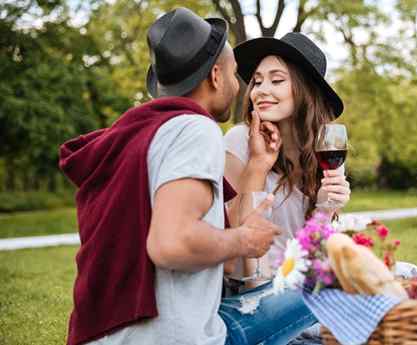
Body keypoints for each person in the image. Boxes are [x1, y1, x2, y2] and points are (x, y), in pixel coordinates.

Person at [58, 8, 312, 345]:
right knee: (334, 281)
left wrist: (257, 170)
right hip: (176, 337)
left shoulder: (138, 134)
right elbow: (171, 244)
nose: (240, 89)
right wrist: (244, 239)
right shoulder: (196, 128)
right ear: (216, 76)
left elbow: (219, 266)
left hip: (101, 334)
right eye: (237, 76)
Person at [222, 32, 351, 282]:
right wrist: (257, 166)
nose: (261, 91)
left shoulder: (326, 150)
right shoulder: (239, 141)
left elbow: (312, 251)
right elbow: (234, 235)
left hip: (300, 284)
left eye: (277, 80)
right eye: (257, 82)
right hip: (252, 291)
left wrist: (326, 208)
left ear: (305, 90)